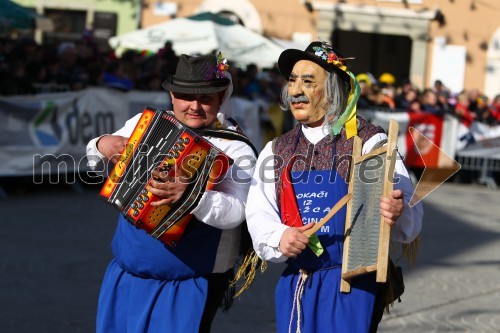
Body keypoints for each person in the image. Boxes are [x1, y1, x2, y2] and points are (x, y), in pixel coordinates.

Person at [245, 41, 423, 333]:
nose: (295, 90)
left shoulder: (370, 142)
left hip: (352, 287)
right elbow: (258, 212)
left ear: (333, 90)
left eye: (308, 81)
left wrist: (397, 210)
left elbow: (410, 221)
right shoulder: (276, 150)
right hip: (297, 284)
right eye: (291, 81)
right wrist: (280, 237)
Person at [86, 53, 257, 332]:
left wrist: (192, 196)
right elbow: (93, 156)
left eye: (205, 98)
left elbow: (237, 211)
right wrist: (103, 144)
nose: (194, 106)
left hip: (189, 285)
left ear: (221, 98)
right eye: (184, 96)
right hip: (125, 276)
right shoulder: (145, 122)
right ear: (172, 96)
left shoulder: (236, 149)